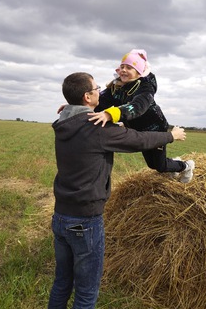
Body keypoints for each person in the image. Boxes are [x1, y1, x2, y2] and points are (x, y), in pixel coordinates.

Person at [48, 72, 187, 309]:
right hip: (85, 220)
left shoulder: (63, 122)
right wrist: (170, 136)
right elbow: (137, 140)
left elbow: (81, 114)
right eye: (96, 88)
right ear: (88, 96)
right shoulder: (96, 127)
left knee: (62, 281)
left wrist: (73, 107)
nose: (100, 91)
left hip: (60, 216)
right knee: (86, 291)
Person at [88, 49, 195, 183]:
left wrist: (111, 114)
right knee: (152, 164)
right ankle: (175, 164)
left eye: (129, 67)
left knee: (160, 166)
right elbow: (100, 100)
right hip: (140, 131)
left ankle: (186, 166)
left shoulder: (145, 88)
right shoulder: (116, 87)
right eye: (122, 67)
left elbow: (138, 107)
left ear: (139, 72)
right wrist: (80, 106)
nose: (123, 70)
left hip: (155, 129)